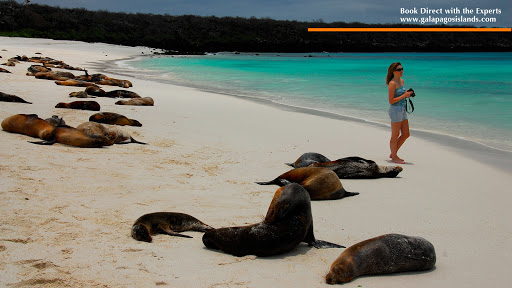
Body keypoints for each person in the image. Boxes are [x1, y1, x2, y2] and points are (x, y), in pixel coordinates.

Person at [386, 62, 413, 164]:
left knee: (406, 134)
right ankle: (394, 157)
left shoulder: (402, 81)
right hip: (395, 110)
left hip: (402, 109)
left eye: (402, 69)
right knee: (395, 134)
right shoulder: (392, 84)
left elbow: (402, 95)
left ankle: (393, 153)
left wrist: (408, 95)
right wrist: (404, 95)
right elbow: (391, 100)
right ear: (393, 72)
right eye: (399, 69)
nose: (401, 71)